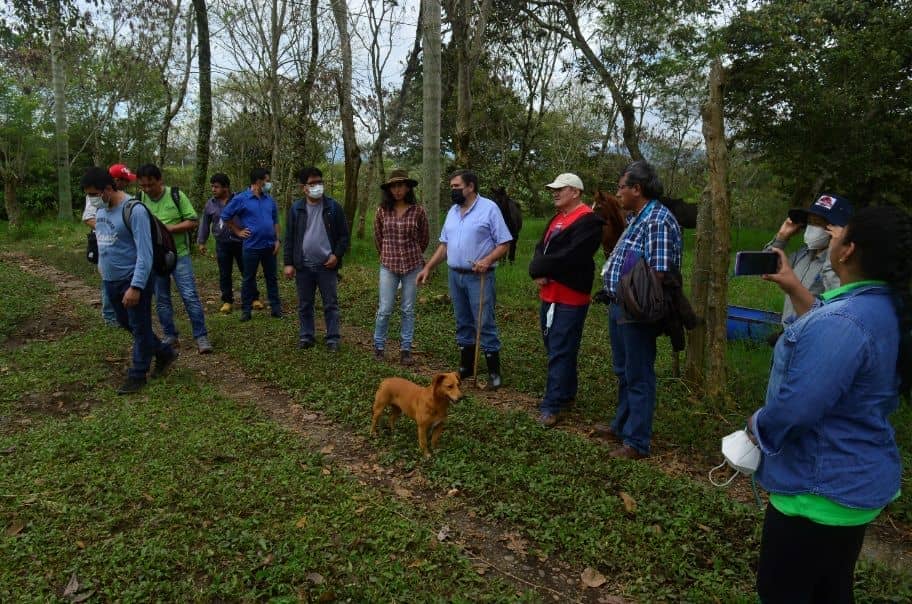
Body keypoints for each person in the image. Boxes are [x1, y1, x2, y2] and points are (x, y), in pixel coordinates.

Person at [748, 206, 911, 603]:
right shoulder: (886, 306)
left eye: (836, 232)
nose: (828, 236)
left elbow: (797, 410)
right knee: (829, 590)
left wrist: (757, 426)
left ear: (848, 250)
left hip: (815, 492)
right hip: (853, 483)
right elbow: (838, 332)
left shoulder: (844, 322)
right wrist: (793, 286)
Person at [597, 160, 682, 460]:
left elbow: (657, 274)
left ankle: (637, 441)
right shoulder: (637, 217)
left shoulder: (657, 220)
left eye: (621, 187)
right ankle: (621, 426)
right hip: (619, 305)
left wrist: (630, 299)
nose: (617, 192)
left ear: (637, 188)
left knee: (638, 374)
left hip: (636, 309)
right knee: (624, 371)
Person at [80, 167, 177, 394]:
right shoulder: (102, 211)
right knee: (125, 322)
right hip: (110, 280)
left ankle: (137, 374)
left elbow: (145, 254)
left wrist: (136, 286)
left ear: (107, 188)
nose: (91, 199)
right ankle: (164, 352)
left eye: (94, 194)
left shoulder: (134, 210)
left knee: (140, 326)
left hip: (132, 279)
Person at [416, 169, 512, 389]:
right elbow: (445, 245)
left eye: (456, 187)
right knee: (462, 321)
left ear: (470, 187)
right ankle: (466, 366)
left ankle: (494, 372)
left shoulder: (489, 209)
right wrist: (428, 267)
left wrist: (487, 260)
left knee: (484, 322)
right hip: (455, 276)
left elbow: (504, 243)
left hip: (479, 276)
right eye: (451, 187)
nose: (453, 191)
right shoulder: (452, 211)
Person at [528, 173, 604, 426]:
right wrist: (540, 267)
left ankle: (552, 405)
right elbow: (542, 246)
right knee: (555, 345)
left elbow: (574, 255)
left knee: (560, 349)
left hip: (570, 296)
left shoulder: (589, 221)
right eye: (554, 189)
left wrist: (541, 269)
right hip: (549, 295)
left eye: (561, 189)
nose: (555, 192)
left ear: (576, 192)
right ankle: (567, 392)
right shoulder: (557, 218)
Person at [135, 164, 212, 353]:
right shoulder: (140, 200)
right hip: (155, 258)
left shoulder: (175, 195)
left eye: (150, 185)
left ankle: (201, 337)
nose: (147, 189)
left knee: (189, 295)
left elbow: (193, 221)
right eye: (143, 185)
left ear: (160, 180)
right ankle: (170, 335)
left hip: (179, 255)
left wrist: (168, 229)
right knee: (161, 298)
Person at [283, 167, 350, 351]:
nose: (317, 186)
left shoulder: (333, 207)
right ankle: (306, 336)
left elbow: (344, 236)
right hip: (303, 265)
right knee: (305, 304)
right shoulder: (296, 209)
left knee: (330, 304)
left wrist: (336, 255)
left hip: (327, 265)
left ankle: (333, 339)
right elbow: (290, 238)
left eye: (319, 182)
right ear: (303, 187)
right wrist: (288, 263)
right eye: (312, 183)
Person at [765, 193, 853, 324]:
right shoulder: (802, 255)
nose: (812, 227)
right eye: (810, 222)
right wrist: (781, 237)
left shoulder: (843, 264)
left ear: (836, 229)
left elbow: (838, 301)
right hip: (790, 333)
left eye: (819, 223)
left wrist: (836, 249)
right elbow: (765, 267)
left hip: (816, 334)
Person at [372, 169, 430, 366]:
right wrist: (386, 254)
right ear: (389, 189)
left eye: (401, 186)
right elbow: (378, 237)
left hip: (412, 265)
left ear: (407, 187)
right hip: (388, 265)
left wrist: (414, 253)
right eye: (394, 186)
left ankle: (405, 349)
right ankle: (379, 346)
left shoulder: (418, 210)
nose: (397, 190)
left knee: (408, 309)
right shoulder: (382, 211)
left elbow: (424, 238)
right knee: (385, 308)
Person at [220, 168, 282, 321]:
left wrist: (277, 240)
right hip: (251, 246)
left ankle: (275, 308)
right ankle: (246, 311)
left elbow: (275, 221)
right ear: (258, 181)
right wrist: (237, 231)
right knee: (248, 278)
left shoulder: (269, 200)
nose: (268, 184)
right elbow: (225, 216)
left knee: (271, 278)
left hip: (269, 246)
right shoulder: (242, 199)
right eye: (266, 180)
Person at [197, 173, 263, 314]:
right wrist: (201, 241)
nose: (213, 189)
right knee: (224, 273)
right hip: (222, 244)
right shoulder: (210, 204)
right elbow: (205, 223)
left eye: (216, 187)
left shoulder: (239, 199)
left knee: (246, 271)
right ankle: (227, 301)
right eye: (212, 187)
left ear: (226, 187)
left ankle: (253, 298)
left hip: (241, 242)